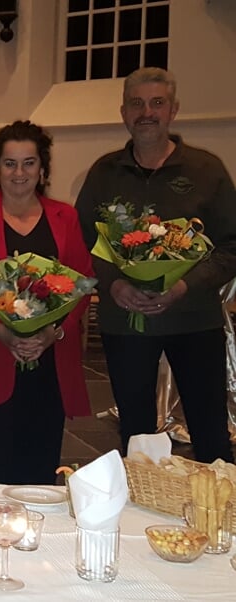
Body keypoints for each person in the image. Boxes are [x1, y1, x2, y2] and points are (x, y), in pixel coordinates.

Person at [76, 67, 236, 463]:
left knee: (211, 433)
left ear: (174, 111)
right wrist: (112, 285)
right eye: (137, 104)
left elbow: (231, 245)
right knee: (135, 435)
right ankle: (140, 516)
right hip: (125, 321)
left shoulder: (206, 169)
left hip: (194, 320)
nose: (146, 112)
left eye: (157, 103)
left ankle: (222, 518)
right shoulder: (104, 172)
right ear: (124, 113)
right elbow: (82, 243)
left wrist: (185, 286)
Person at [0, 121, 94, 484]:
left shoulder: (66, 217)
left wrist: (50, 333)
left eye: (29, 163)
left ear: (42, 169)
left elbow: (81, 283)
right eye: (10, 163)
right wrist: (3, 333)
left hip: (47, 366)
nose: (19, 172)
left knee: (37, 475)